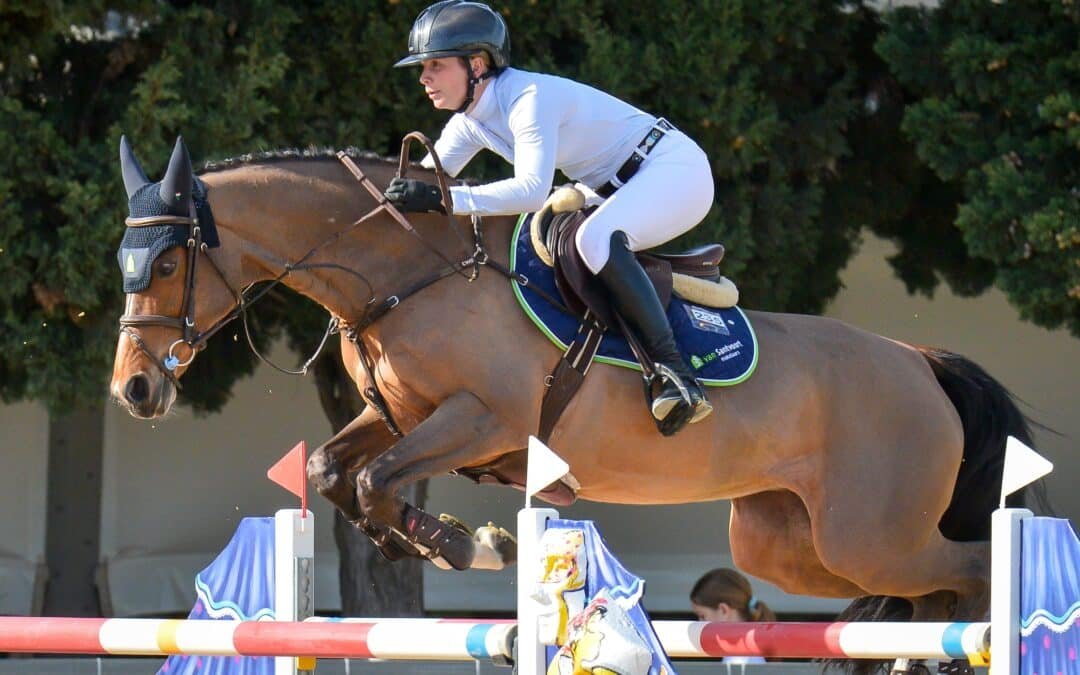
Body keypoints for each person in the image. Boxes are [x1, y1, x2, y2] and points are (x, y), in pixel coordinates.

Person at [384, 0, 716, 435]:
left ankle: (676, 375)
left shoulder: (527, 99)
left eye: (436, 65)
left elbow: (530, 191)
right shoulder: (469, 122)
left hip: (674, 169)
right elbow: (424, 180)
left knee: (594, 241)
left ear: (477, 65)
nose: (424, 77)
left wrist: (446, 201)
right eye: (422, 67)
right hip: (617, 184)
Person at [690, 567, 775, 664]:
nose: (699, 623)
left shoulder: (739, 659)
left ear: (723, 610)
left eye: (702, 616)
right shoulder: (741, 654)